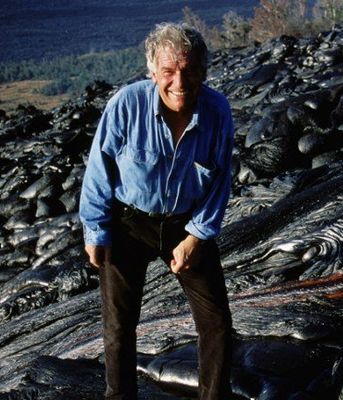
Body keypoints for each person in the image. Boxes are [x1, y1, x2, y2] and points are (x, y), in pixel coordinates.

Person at [79, 22, 234, 400]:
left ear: (203, 71)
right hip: (129, 222)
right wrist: (95, 231)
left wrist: (197, 236)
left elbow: (221, 179)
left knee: (217, 324)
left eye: (189, 70)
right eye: (168, 71)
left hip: (187, 223)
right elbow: (99, 169)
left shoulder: (217, 111)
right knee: (118, 325)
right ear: (153, 72)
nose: (179, 81)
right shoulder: (126, 105)